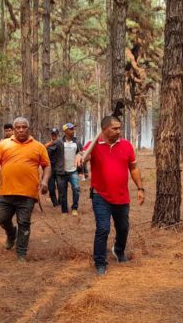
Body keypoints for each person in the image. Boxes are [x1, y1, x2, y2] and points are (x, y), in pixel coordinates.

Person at [78, 116, 145, 276]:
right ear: (105, 129)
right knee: (103, 228)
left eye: (119, 128)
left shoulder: (126, 145)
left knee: (123, 228)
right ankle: (100, 262)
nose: (119, 131)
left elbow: (133, 168)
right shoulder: (94, 145)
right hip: (100, 195)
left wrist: (140, 188)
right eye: (114, 128)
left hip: (122, 196)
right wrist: (80, 156)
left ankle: (118, 250)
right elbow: (83, 156)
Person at [0, 117, 50, 262]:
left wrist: (45, 181)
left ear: (28, 129)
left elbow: (46, 165)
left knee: (24, 222)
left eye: (24, 127)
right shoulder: (4, 144)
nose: (21, 130)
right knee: (1, 218)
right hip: (6, 192)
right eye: (18, 127)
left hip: (28, 194)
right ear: (14, 129)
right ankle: (11, 234)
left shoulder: (38, 146)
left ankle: (21, 253)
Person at [56, 123, 84, 216]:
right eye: (71, 129)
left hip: (73, 170)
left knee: (76, 188)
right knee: (63, 192)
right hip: (62, 172)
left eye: (73, 129)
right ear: (65, 131)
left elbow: (82, 154)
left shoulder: (77, 142)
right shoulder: (59, 142)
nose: (73, 130)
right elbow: (51, 153)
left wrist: (83, 170)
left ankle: (74, 208)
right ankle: (64, 210)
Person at [44, 128, 61, 207]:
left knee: (61, 186)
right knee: (51, 187)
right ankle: (55, 203)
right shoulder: (47, 145)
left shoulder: (60, 144)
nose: (54, 136)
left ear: (58, 135)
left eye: (55, 134)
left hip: (59, 168)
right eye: (52, 134)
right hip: (50, 168)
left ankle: (61, 202)